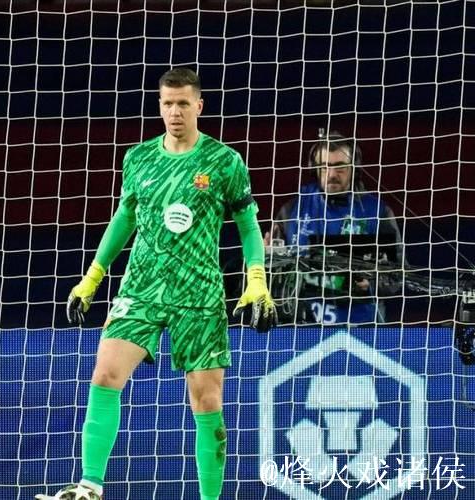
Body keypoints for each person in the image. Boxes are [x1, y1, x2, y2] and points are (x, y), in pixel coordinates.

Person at [36, 68, 277, 500]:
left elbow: (247, 225)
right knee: (105, 375)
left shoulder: (224, 161)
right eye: (167, 103)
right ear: (160, 106)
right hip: (142, 288)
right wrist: (93, 276)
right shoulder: (139, 158)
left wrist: (256, 278)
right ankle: (90, 486)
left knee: (207, 402)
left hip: (199, 293)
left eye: (183, 103)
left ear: (199, 105)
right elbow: (124, 218)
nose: (175, 112)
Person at [264, 129, 402, 324]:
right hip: (302, 328)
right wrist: (266, 257)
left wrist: (371, 283)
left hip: (362, 328)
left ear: (354, 168)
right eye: (324, 167)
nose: (331, 174)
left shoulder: (378, 212)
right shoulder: (292, 209)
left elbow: (397, 275)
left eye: (340, 167)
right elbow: (274, 270)